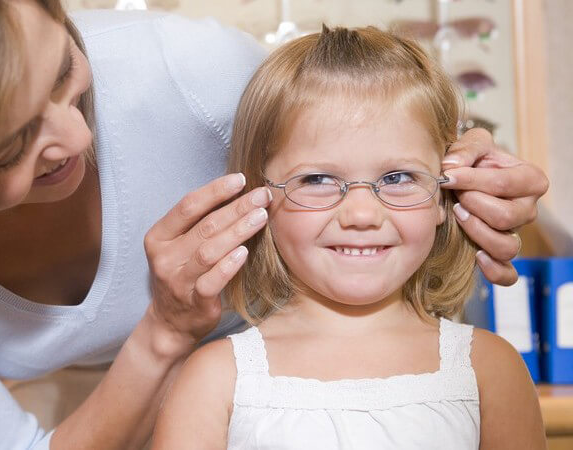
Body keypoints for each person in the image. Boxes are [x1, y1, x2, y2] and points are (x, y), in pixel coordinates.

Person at [0, 1, 546, 449]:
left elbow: (365, 134)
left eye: (67, 77)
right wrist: (163, 337)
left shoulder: (194, 73)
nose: (77, 139)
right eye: (7, 148)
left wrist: (470, 166)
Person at [152, 26, 546, 449]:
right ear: (257, 200)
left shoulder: (488, 369)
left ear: (443, 196)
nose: (361, 214)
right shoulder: (216, 381)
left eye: (397, 177)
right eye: (318, 179)